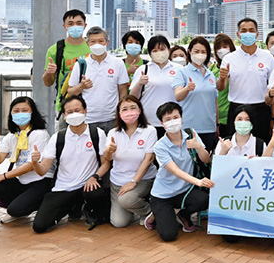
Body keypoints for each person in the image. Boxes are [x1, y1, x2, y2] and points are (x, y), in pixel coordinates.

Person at [32, 95, 110, 233]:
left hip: (88, 185)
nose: (74, 114)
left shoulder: (97, 134)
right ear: (64, 116)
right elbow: (42, 170)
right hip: (64, 187)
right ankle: (72, 207)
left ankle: (89, 209)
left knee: (97, 196)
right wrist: (35, 163)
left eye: (78, 110)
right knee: (39, 226)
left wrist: (95, 176)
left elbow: (106, 163)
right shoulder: (58, 138)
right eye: (69, 112)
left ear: (85, 111)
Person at [147, 102, 213, 241]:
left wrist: (199, 147)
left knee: (204, 199)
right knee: (169, 236)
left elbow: (206, 159)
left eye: (175, 117)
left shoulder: (191, 134)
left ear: (181, 118)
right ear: (162, 123)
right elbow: (175, 171)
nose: (173, 122)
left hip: (184, 190)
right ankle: (155, 215)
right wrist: (198, 182)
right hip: (163, 195)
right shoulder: (160, 146)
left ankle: (183, 214)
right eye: (168, 119)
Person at [0, 97, 53, 224]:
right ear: (11, 114)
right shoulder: (12, 136)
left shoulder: (40, 134)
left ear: (32, 113)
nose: (20, 113)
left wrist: (4, 176)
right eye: (16, 111)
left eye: (24, 110)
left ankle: (41, 204)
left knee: (14, 209)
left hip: (40, 181)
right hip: (22, 182)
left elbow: (30, 166)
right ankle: (22, 207)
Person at [103, 95, 156, 229]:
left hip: (142, 179)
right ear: (119, 113)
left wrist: (133, 182)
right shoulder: (113, 133)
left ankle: (152, 212)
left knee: (126, 200)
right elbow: (107, 159)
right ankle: (137, 209)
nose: (129, 112)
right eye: (124, 109)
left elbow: (149, 159)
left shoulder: (149, 131)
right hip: (118, 181)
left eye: (133, 108)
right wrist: (109, 151)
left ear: (140, 110)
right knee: (119, 222)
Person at [220, 17, 274, 143]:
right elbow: (221, 87)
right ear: (238, 34)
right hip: (236, 109)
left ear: (257, 34)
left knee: (261, 146)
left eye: (251, 30)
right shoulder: (229, 58)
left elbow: (272, 89)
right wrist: (222, 78)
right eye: (244, 31)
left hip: (261, 109)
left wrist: (272, 117)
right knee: (234, 146)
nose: (247, 33)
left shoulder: (267, 57)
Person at [67, 26, 129, 132]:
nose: (97, 44)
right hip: (87, 119)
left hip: (112, 119)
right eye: (93, 41)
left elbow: (123, 92)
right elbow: (70, 92)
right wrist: (82, 86)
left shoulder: (117, 63)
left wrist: (121, 114)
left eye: (101, 41)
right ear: (88, 44)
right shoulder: (81, 64)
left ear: (107, 42)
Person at [42, 9, 91, 123]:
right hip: (65, 106)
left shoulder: (92, 47)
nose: (75, 26)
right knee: (63, 139)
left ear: (85, 25)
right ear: (65, 27)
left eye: (79, 23)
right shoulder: (56, 49)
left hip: (91, 106)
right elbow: (47, 82)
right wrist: (49, 72)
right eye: (70, 24)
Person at [171, 37, 219, 149]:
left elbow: (214, 102)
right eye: (196, 52)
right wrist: (187, 88)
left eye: (203, 52)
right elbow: (178, 96)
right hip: (189, 128)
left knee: (206, 162)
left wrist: (217, 125)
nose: (200, 55)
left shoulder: (210, 74)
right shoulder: (182, 73)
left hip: (209, 127)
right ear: (189, 52)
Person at [130, 35, 177, 139]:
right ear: (150, 53)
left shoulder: (179, 69)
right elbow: (133, 97)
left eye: (162, 49)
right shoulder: (144, 69)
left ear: (168, 50)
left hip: (172, 122)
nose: (159, 53)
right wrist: (139, 83)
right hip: (148, 121)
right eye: (155, 50)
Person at [210, 33, 236, 139]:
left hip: (230, 115)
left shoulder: (237, 66)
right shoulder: (212, 68)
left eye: (225, 46)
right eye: (218, 48)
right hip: (215, 117)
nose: (222, 50)